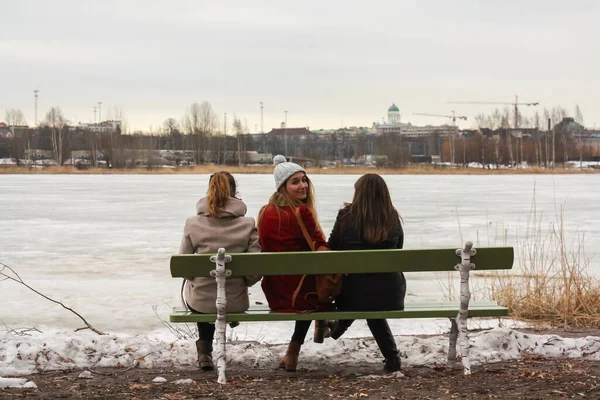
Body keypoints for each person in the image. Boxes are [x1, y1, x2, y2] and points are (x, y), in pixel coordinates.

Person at [179, 171, 261, 371]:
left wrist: (195, 279)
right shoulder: (248, 224)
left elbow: (183, 266)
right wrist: (242, 283)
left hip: (201, 301)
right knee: (216, 293)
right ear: (234, 192)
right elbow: (255, 271)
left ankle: (205, 352)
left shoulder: (193, 223)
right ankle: (214, 341)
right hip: (235, 301)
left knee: (202, 293)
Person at [327, 173, 406, 372]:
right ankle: (392, 358)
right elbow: (398, 251)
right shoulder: (393, 217)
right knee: (371, 297)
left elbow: (331, 248)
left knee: (362, 293)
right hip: (391, 294)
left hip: (353, 294)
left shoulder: (346, 216)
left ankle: (335, 329)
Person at [258, 155, 330, 372]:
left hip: (274, 291)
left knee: (306, 279)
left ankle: (319, 327)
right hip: (299, 296)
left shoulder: (265, 211)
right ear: (283, 186)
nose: (303, 186)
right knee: (330, 277)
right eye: (295, 181)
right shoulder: (301, 211)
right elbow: (321, 247)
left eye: (304, 180)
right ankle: (320, 328)